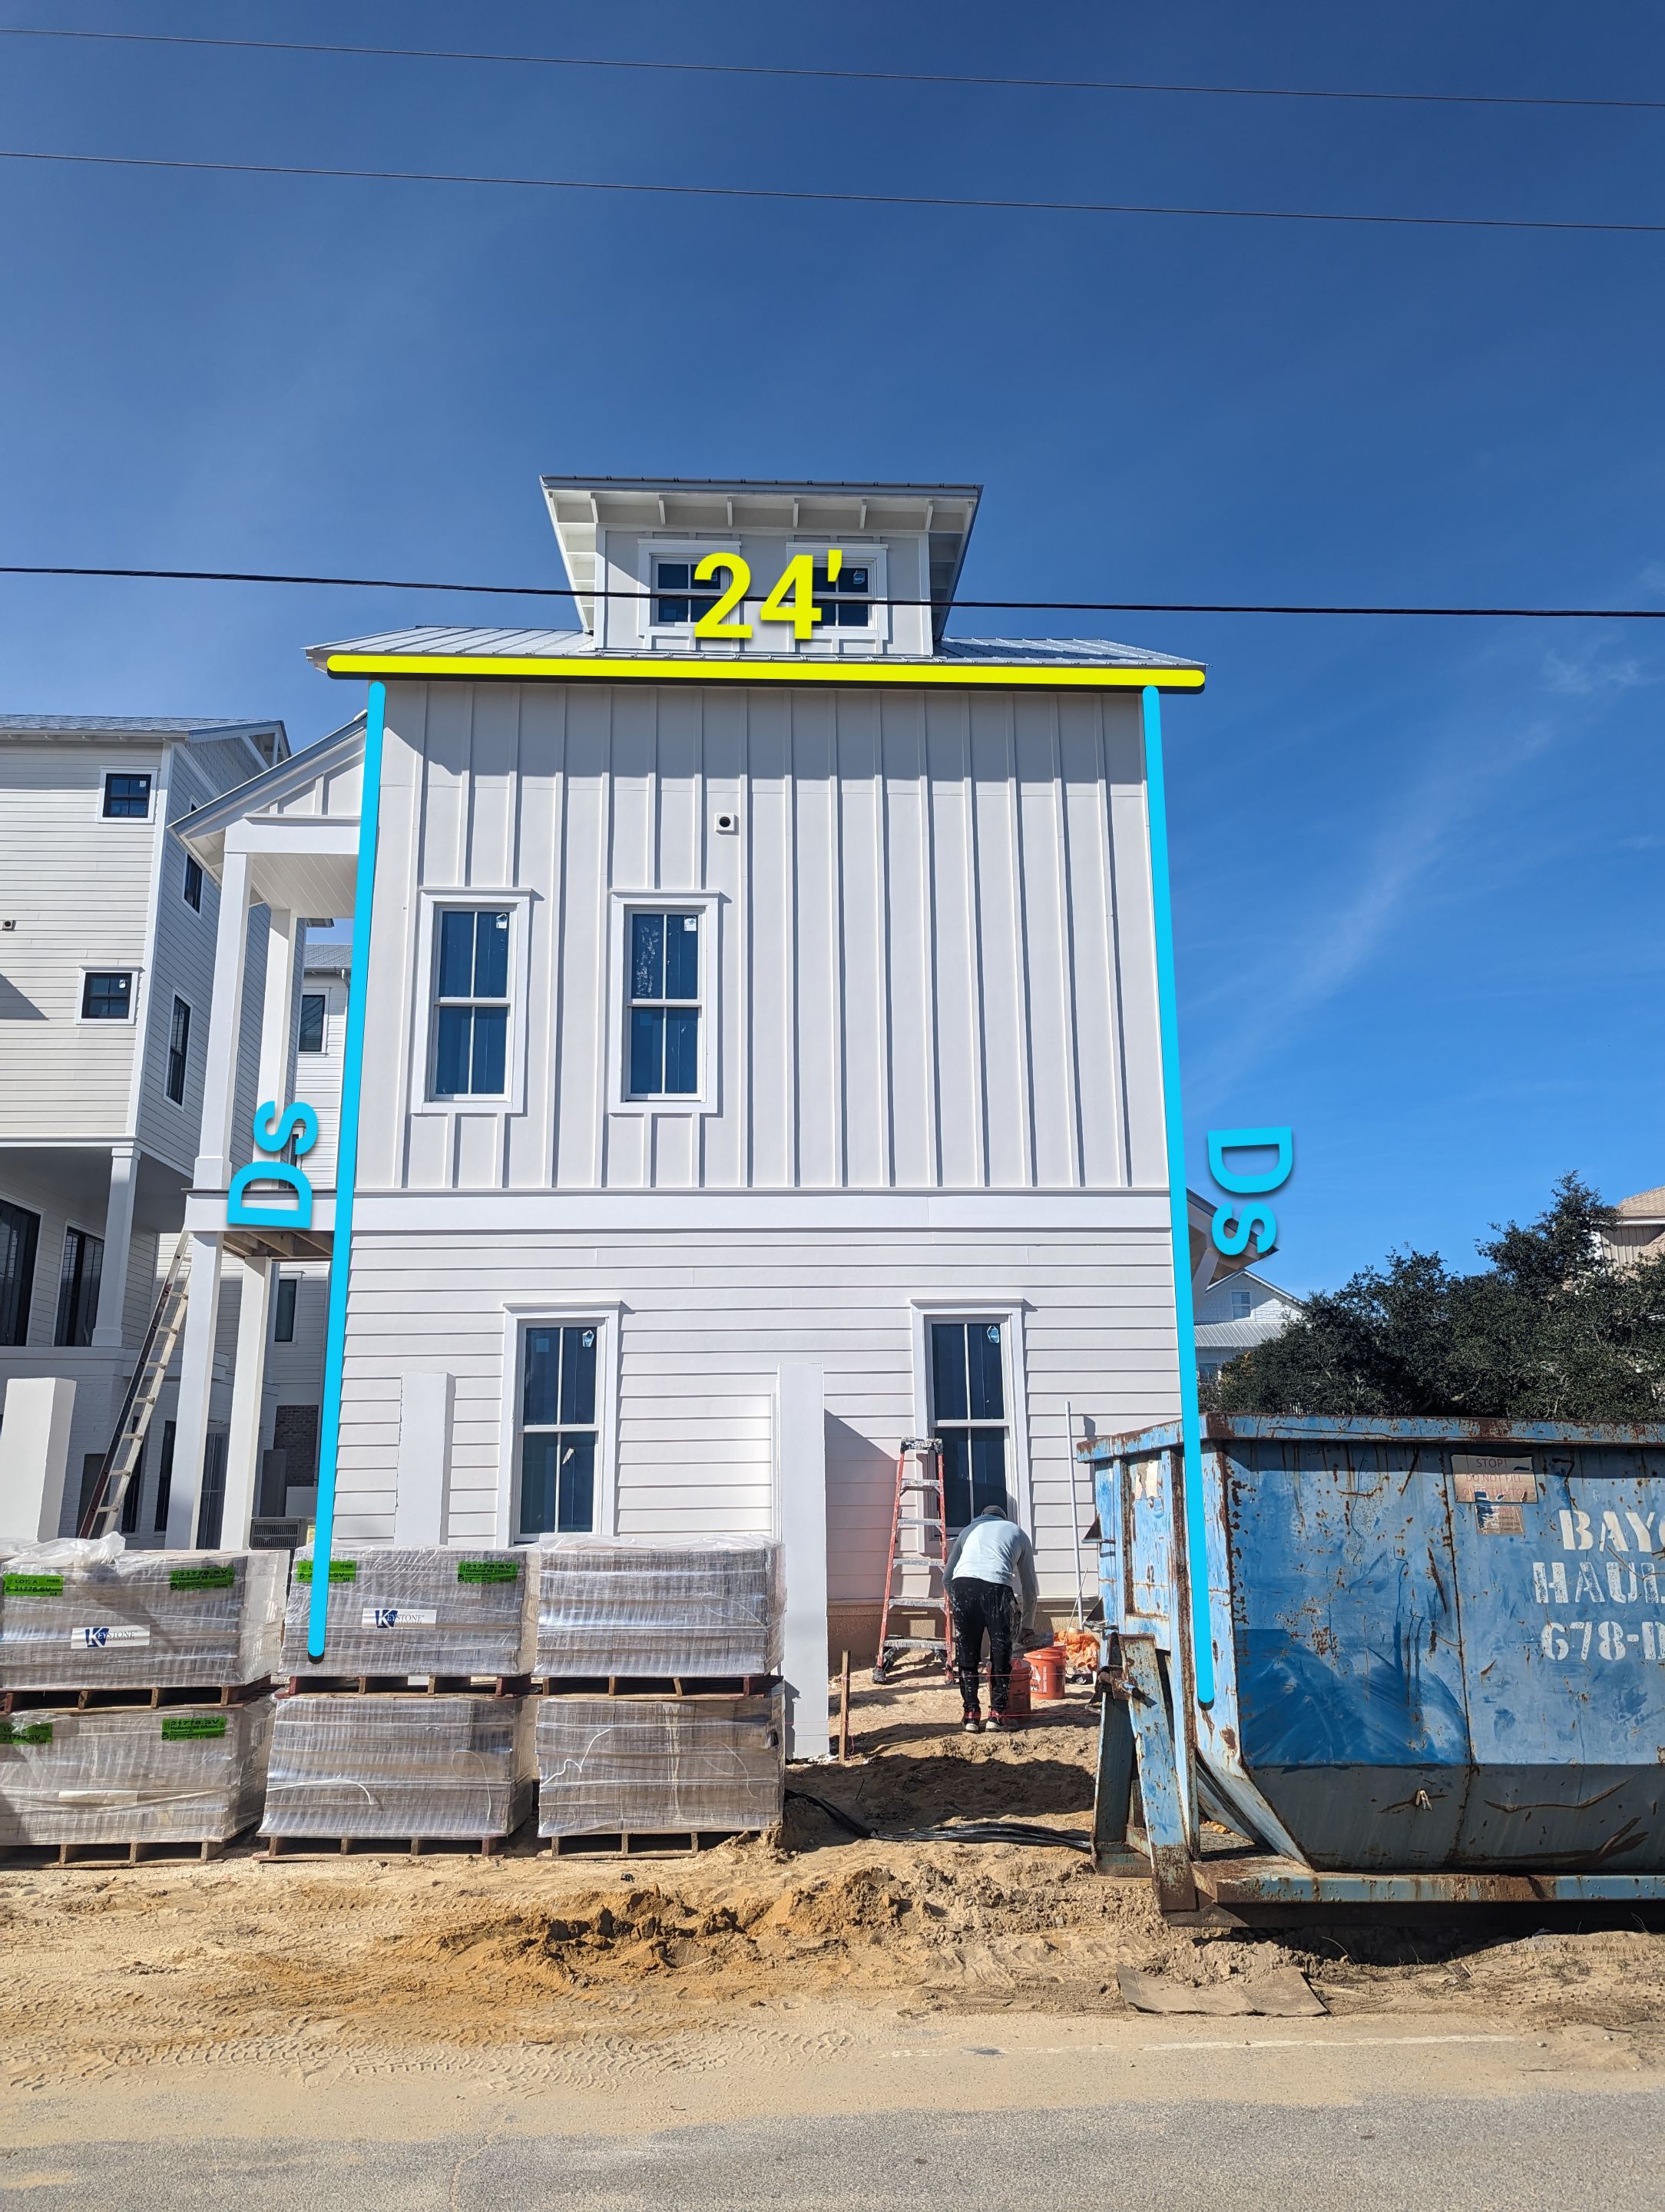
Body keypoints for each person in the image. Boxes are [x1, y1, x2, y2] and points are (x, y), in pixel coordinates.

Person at [944, 1501, 1039, 1731]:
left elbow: (947, 1578)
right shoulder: (1017, 1532)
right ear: (1003, 1518)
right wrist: (1027, 1624)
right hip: (997, 1588)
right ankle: (997, 1715)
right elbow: (1030, 1588)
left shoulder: (968, 1531)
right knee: (1000, 1653)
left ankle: (970, 1715)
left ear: (982, 1517)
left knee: (967, 1655)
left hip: (963, 1586)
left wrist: (958, 1602)